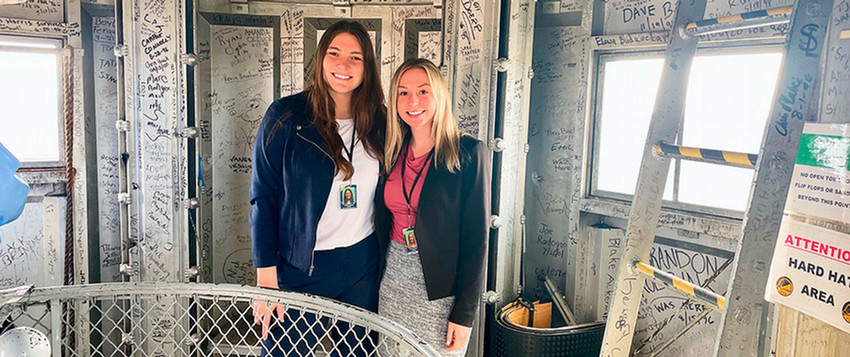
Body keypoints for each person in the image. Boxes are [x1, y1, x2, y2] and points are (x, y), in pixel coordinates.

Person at [250, 20, 386, 357]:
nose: (344, 65)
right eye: (334, 53)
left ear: (367, 67)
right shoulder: (286, 116)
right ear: (320, 58)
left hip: (361, 266)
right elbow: (262, 198)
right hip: (300, 268)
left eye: (356, 57)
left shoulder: (380, 121)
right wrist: (266, 279)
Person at [376, 58, 491, 355]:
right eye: (403, 92)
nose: (412, 101)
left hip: (440, 291)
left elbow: (476, 241)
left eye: (423, 91)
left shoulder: (468, 153)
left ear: (439, 94)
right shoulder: (390, 150)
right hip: (392, 283)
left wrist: (465, 315)